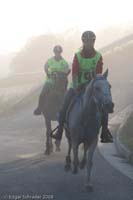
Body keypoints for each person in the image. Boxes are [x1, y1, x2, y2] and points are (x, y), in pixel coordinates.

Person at [52, 31, 113, 143]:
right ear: (83, 42)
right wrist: (75, 86)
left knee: (104, 104)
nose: (88, 44)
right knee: (64, 106)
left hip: (92, 87)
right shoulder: (78, 56)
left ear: (94, 42)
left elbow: (98, 75)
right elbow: (74, 73)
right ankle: (59, 130)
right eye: (86, 41)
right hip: (77, 86)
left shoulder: (98, 56)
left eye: (91, 41)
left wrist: (92, 85)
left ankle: (105, 132)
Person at [33, 45, 70, 115]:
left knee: (67, 94)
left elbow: (66, 70)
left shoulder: (64, 62)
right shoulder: (50, 60)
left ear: (61, 53)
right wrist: (47, 73)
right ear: (54, 52)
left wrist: (63, 75)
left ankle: (67, 110)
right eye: (56, 52)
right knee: (42, 94)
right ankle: (39, 108)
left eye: (59, 52)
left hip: (60, 83)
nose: (57, 54)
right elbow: (45, 67)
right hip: (50, 81)